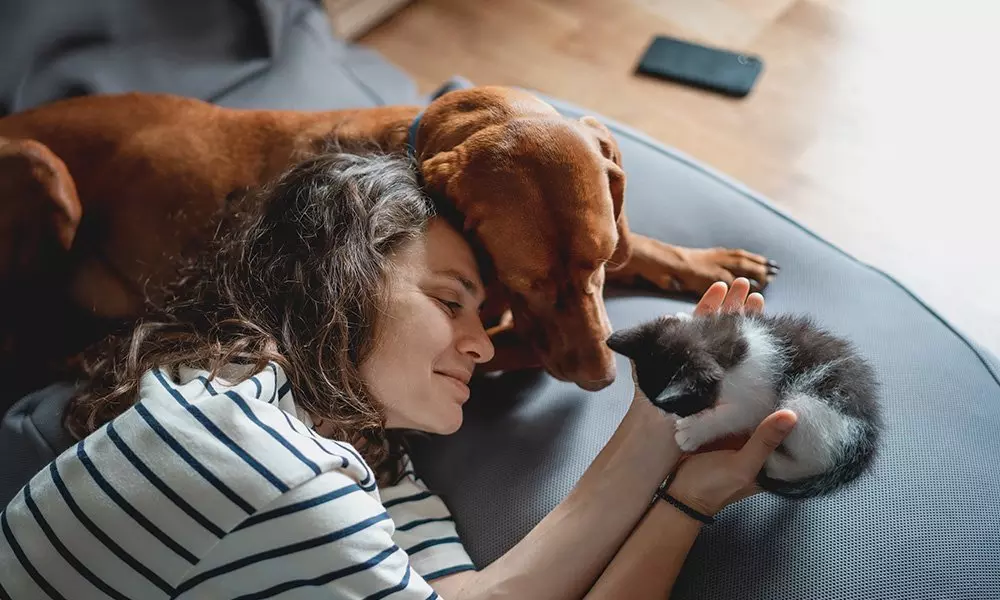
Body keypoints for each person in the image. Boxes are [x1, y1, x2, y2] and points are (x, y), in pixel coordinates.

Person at [0, 151, 797, 599]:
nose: (481, 347)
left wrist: (674, 474)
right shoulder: (251, 450)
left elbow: (492, 594)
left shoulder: (372, 463)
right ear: (335, 280)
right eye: (450, 301)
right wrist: (663, 472)